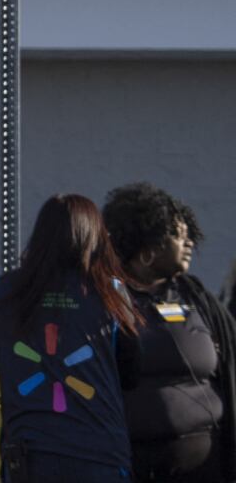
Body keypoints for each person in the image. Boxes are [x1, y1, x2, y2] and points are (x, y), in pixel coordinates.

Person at [0, 195, 144, 483]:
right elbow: (131, 374)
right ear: (94, 236)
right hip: (101, 455)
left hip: (30, 457)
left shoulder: (2, 292)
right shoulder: (111, 293)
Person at [102, 184, 235, 483]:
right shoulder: (105, 298)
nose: (189, 243)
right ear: (148, 248)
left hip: (205, 467)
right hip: (130, 465)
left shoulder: (196, 295)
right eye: (177, 234)